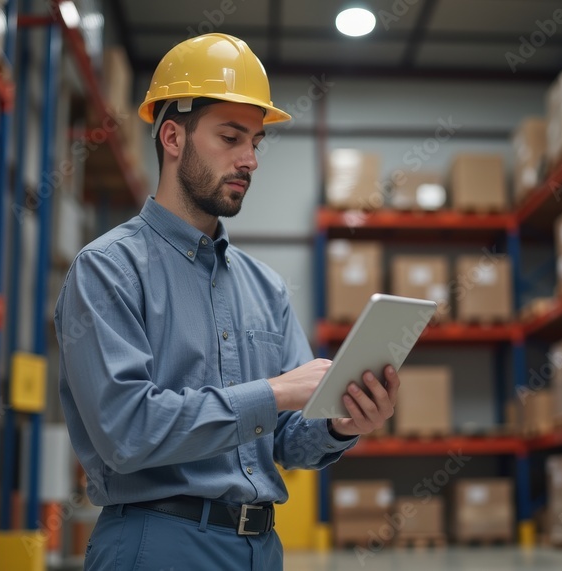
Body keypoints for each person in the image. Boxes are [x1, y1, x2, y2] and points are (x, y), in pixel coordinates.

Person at [55, 33, 399, 571]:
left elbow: (287, 441)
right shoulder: (109, 269)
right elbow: (127, 431)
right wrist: (276, 391)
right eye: (231, 137)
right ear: (173, 136)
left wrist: (341, 424)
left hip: (261, 549)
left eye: (256, 142)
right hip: (157, 545)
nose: (250, 160)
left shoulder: (265, 288)